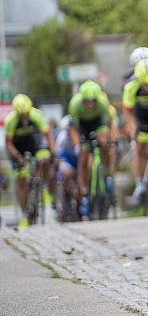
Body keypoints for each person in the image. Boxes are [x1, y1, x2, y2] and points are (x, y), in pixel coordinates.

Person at [4, 94, 55, 228]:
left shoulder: (36, 115)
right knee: (21, 180)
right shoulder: (11, 120)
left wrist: (53, 152)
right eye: (21, 114)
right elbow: (8, 143)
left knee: (45, 158)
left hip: (34, 145)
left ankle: (42, 184)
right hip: (17, 148)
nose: (24, 116)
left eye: (26, 113)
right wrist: (17, 157)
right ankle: (25, 211)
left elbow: (47, 134)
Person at [67, 80, 114, 215]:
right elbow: (73, 129)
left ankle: (107, 172)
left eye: (93, 101)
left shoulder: (103, 103)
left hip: (97, 123)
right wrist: (77, 145)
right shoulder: (75, 104)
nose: (90, 104)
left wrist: (110, 140)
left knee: (104, 144)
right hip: (82, 126)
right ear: (82, 99)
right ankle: (85, 191)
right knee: (83, 156)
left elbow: (109, 125)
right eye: (87, 101)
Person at [122, 58, 148, 205]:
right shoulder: (131, 87)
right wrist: (133, 128)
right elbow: (128, 112)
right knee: (139, 145)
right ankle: (140, 184)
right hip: (140, 116)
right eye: (145, 84)